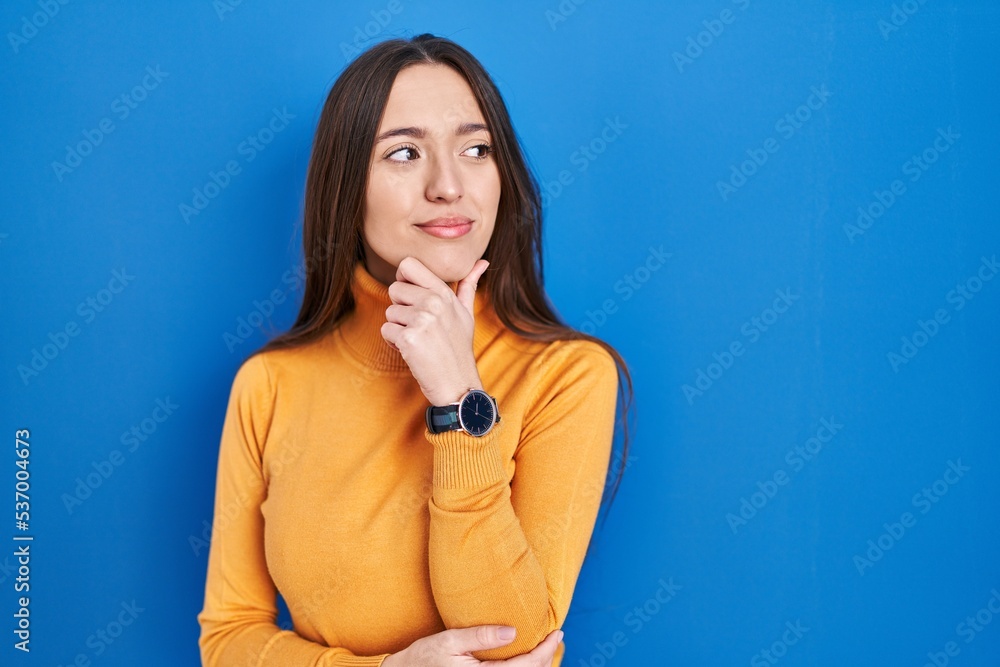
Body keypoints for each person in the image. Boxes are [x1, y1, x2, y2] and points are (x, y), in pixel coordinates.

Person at [197, 33, 634, 667]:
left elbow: (512, 641)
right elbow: (228, 637)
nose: (449, 186)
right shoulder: (269, 386)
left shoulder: (568, 376)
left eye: (476, 149)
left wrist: (459, 400)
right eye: (404, 153)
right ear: (348, 189)